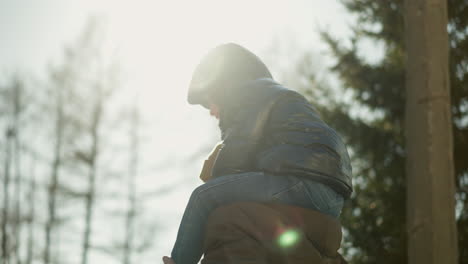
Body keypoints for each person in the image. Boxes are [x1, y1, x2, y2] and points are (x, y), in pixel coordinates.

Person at [163, 43, 353, 264]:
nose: (213, 112)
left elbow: (236, 155)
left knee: (203, 196)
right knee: (242, 205)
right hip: (331, 197)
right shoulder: (277, 97)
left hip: (298, 181)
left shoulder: (247, 94)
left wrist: (214, 175)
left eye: (210, 103)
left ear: (224, 86)